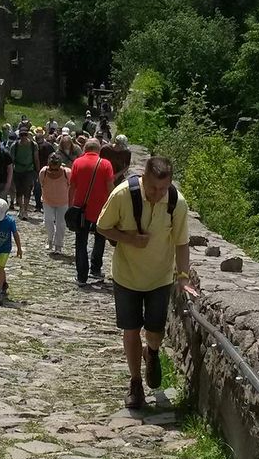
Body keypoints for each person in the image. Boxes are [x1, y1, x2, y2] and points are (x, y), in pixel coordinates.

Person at [97, 156, 190, 407]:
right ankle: (136, 383)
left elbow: (182, 243)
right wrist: (130, 240)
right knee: (131, 329)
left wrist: (183, 276)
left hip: (160, 277)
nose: (158, 193)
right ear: (143, 178)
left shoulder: (176, 203)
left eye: (163, 188)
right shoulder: (122, 195)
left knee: (155, 331)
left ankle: (153, 352)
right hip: (126, 275)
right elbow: (102, 226)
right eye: (153, 187)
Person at [69, 139, 114, 286]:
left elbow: (72, 187)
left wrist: (71, 206)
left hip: (81, 210)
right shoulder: (106, 164)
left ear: (85, 149)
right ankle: (95, 269)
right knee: (100, 239)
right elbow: (110, 188)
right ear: (99, 150)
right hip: (101, 211)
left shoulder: (77, 163)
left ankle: (82, 276)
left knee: (81, 242)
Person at [39, 153, 71, 254]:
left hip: (63, 202)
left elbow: (71, 186)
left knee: (61, 224)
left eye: (56, 169)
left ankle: (58, 245)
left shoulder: (67, 172)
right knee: (48, 221)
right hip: (48, 200)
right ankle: (50, 239)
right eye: (51, 169)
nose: (53, 171)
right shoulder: (43, 172)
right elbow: (42, 184)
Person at [10, 126, 40, 220]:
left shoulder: (33, 145)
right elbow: (12, 161)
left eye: (25, 134)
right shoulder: (14, 146)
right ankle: (21, 209)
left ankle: (25, 210)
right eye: (21, 135)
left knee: (27, 190)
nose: (23, 136)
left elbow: (36, 159)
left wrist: (38, 171)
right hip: (18, 170)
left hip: (29, 170)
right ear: (19, 135)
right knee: (19, 191)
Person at [34, 128, 55, 212]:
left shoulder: (47, 146)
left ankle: (44, 205)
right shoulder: (34, 146)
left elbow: (52, 156)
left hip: (46, 169)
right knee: (37, 188)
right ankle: (38, 205)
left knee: (45, 188)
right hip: (37, 170)